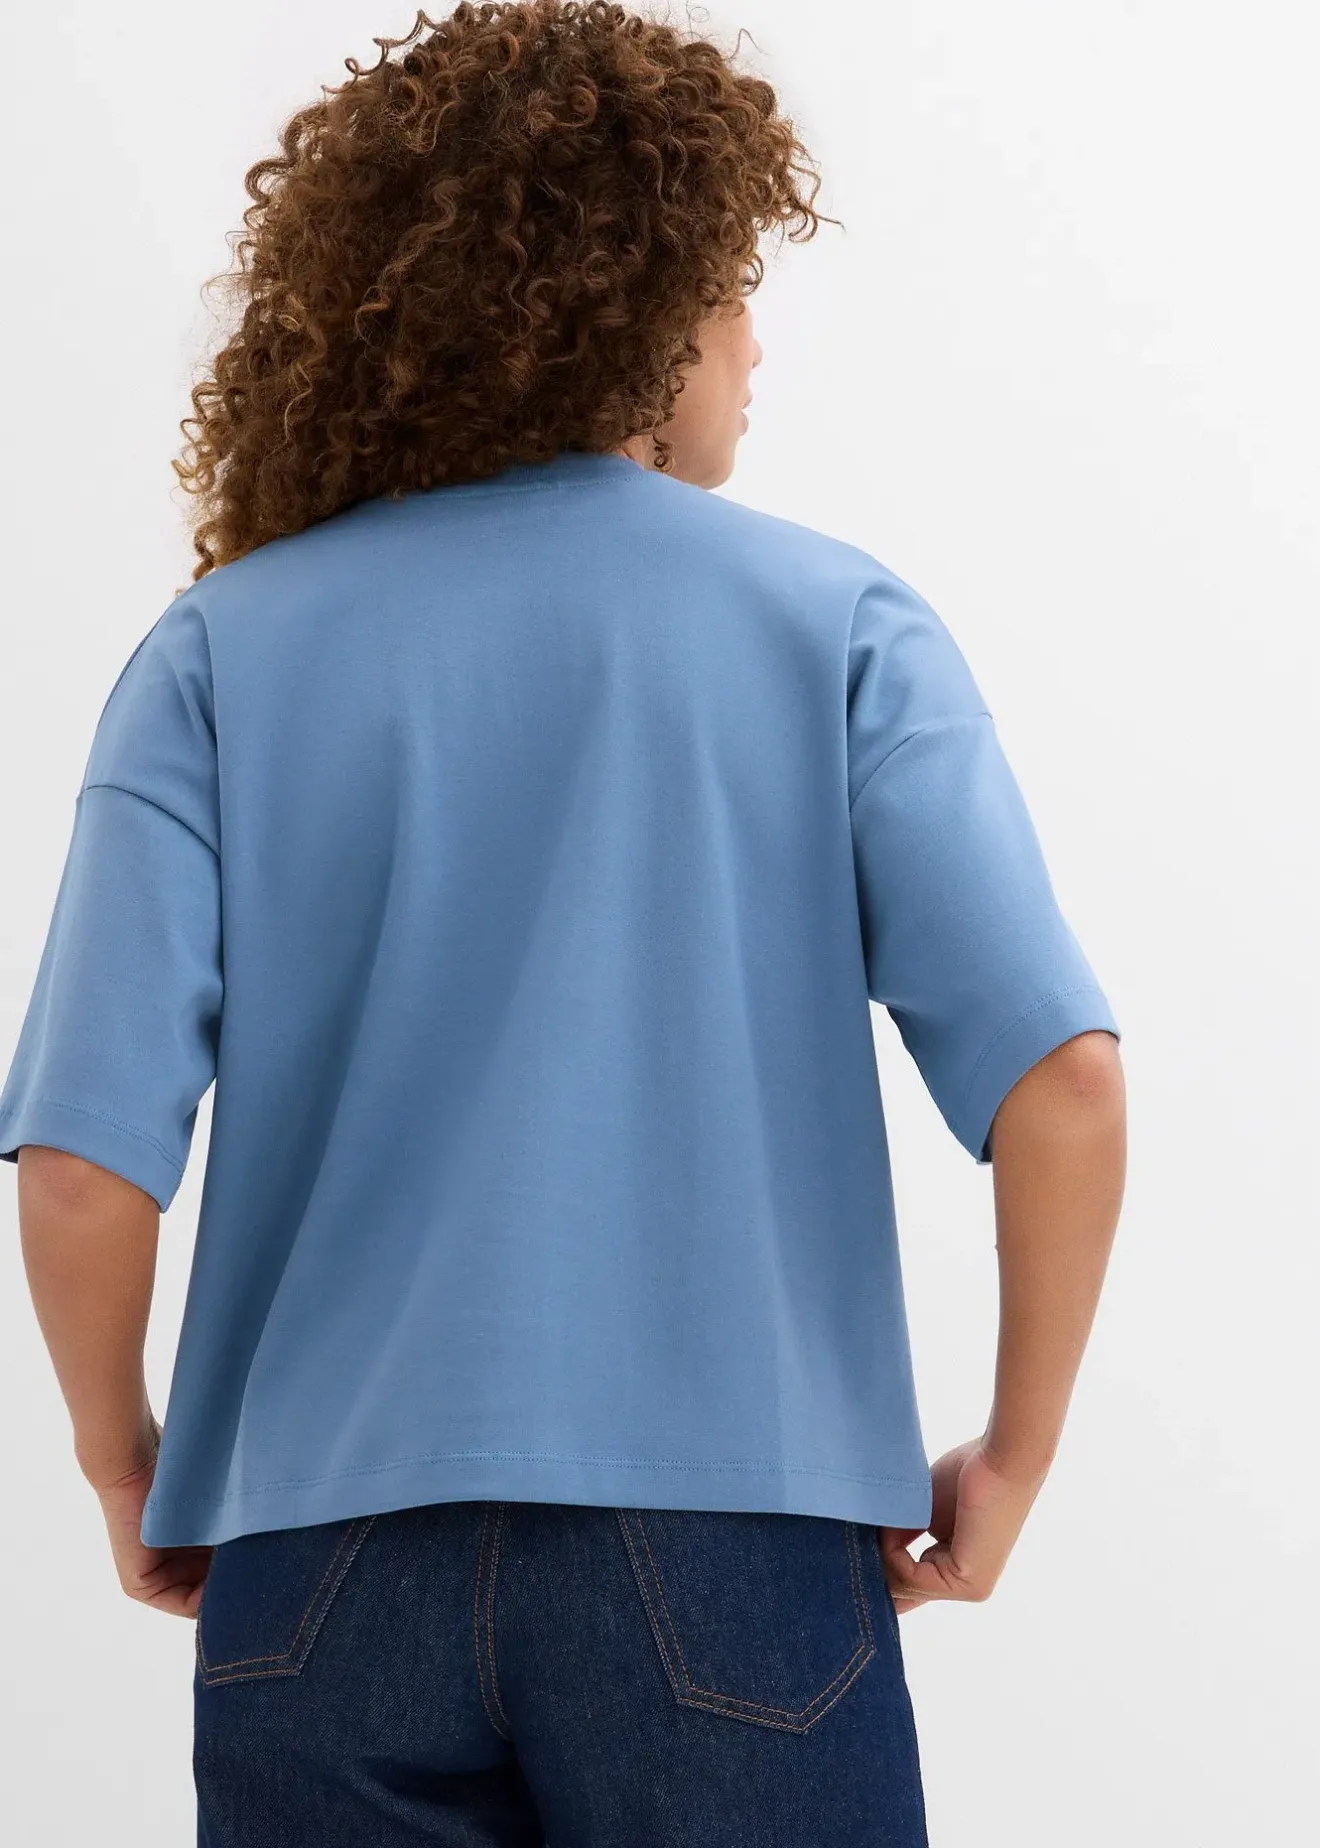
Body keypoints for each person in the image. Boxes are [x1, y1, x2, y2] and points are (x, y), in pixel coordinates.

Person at [0, 3, 1126, 1843]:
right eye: (732, 291)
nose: (755, 343)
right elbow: (1062, 1079)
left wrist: (124, 1460)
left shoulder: (218, 653)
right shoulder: (838, 628)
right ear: (634, 307)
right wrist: (1016, 1451)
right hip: (740, 1548)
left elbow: (75, 1164)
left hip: (317, 1555)